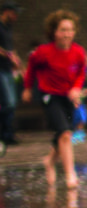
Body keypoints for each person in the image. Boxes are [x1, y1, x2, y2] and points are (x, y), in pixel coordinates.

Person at [22, 9, 87, 188]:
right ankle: (70, 174)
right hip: (50, 96)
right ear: (53, 32)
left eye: (70, 30)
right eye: (62, 30)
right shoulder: (43, 52)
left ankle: (49, 161)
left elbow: (81, 73)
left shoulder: (78, 52)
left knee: (64, 133)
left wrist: (76, 88)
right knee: (65, 134)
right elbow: (31, 69)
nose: (67, 34)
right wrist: (27, 88)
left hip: (68, 97)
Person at [0, 1, 22, 146]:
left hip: (8, 70)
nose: (16, 17)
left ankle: (7, 134)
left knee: (11, 103)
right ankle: (6, 133)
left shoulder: (8, 29)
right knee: (8, 102)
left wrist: (16, 60)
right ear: (6, 11)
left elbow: (9, 49)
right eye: (14, 13)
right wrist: (9, 56)